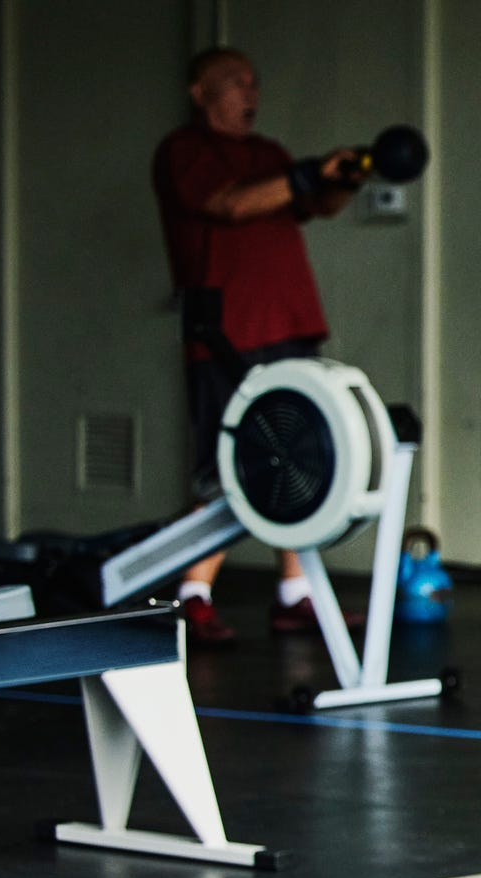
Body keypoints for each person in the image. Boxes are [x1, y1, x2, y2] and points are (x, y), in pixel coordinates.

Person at [152, 47, 359, 647]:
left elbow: (315, 205)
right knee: (228, 466)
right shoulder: (183, 152)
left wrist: (342, 177)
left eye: (255, 83)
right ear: (199, 90)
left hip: (290, 323)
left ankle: (296, 594)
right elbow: (231, 204)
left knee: (294, 462)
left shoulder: (267, 153)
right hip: (225, 333)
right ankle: (192, 594)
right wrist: (308, 172)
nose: (251, 93)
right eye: (237, 83)